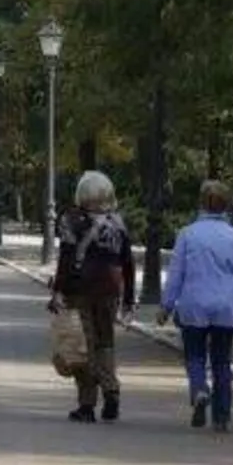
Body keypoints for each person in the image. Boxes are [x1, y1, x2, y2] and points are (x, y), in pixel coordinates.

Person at [157, 180, 233, 432]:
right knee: (222, 361)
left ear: (201, 203)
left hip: (194, 304)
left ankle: (199, 389)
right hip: (225, 306)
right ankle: (222, 416)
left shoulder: (187, 234)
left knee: (195, 355)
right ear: (226, 205)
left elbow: (176, 273)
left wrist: (166, 305)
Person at [49, 170, 136, 423]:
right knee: (105, 342)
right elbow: (128, 263)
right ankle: (111, 391)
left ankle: (87, 405)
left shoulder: (72, 220)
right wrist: (129, 298)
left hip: (80, 290)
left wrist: (57, 291)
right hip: (110, 290)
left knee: (83, 346)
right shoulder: (118, 223)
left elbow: (66, 259)